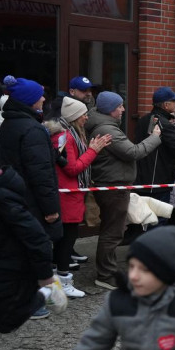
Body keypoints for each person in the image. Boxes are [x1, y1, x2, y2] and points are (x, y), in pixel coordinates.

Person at [0, 154, 68, 350]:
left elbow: (36, 238)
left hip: (10, 267)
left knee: (6, 322)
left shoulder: (3, 197)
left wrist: (46, 278)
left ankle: (45, 294)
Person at [86, 92, 162, 290]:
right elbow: (134, 152)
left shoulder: (103, 126)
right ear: (111, 110)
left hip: (113, 184)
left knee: (112, 230)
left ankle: (108, 271)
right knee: (112, 232)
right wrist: (154, 138)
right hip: (113, 186)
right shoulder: (107, 130)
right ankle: (105, 275)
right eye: (120, 106)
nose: (123, 110)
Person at [49, 97, 113, 297]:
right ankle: (62, 282)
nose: (87, 117)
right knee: (66, 241)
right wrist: (93, 151)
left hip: (70, 194)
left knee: (63, 240)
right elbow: (72, 168)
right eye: (84, 114)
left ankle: (56, 283)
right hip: (68, 195)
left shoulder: (69, 135)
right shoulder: (66, 137)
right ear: (75, 117)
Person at [0, 76, 63, 244]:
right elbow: (41, 174)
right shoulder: (32, 129)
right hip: (32, 204)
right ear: (29, 100)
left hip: (15, 200)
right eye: (39, 95)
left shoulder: (9, 124)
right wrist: (51, 209)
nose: (43, 99)